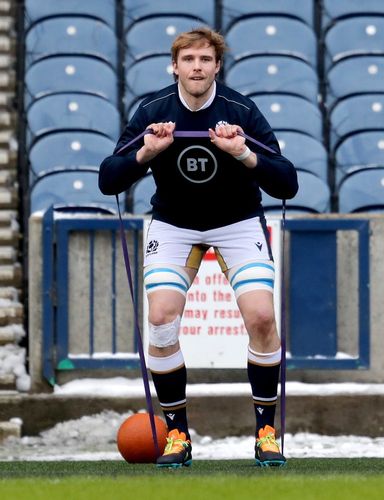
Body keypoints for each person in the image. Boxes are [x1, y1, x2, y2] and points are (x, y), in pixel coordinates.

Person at [99, 27, 298, 468]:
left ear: (217, 66)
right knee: (161, 319)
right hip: (174, 224)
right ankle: (177, 436)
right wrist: (146, 153)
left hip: (237, 222)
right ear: (175, 66)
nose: (196, 68)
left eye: (205, 60)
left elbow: (287, 181)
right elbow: (108, 179)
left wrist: (243, 153)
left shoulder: (240, 110)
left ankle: (266, 431)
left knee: (263, 317)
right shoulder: (153, 110)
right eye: (188, 60)